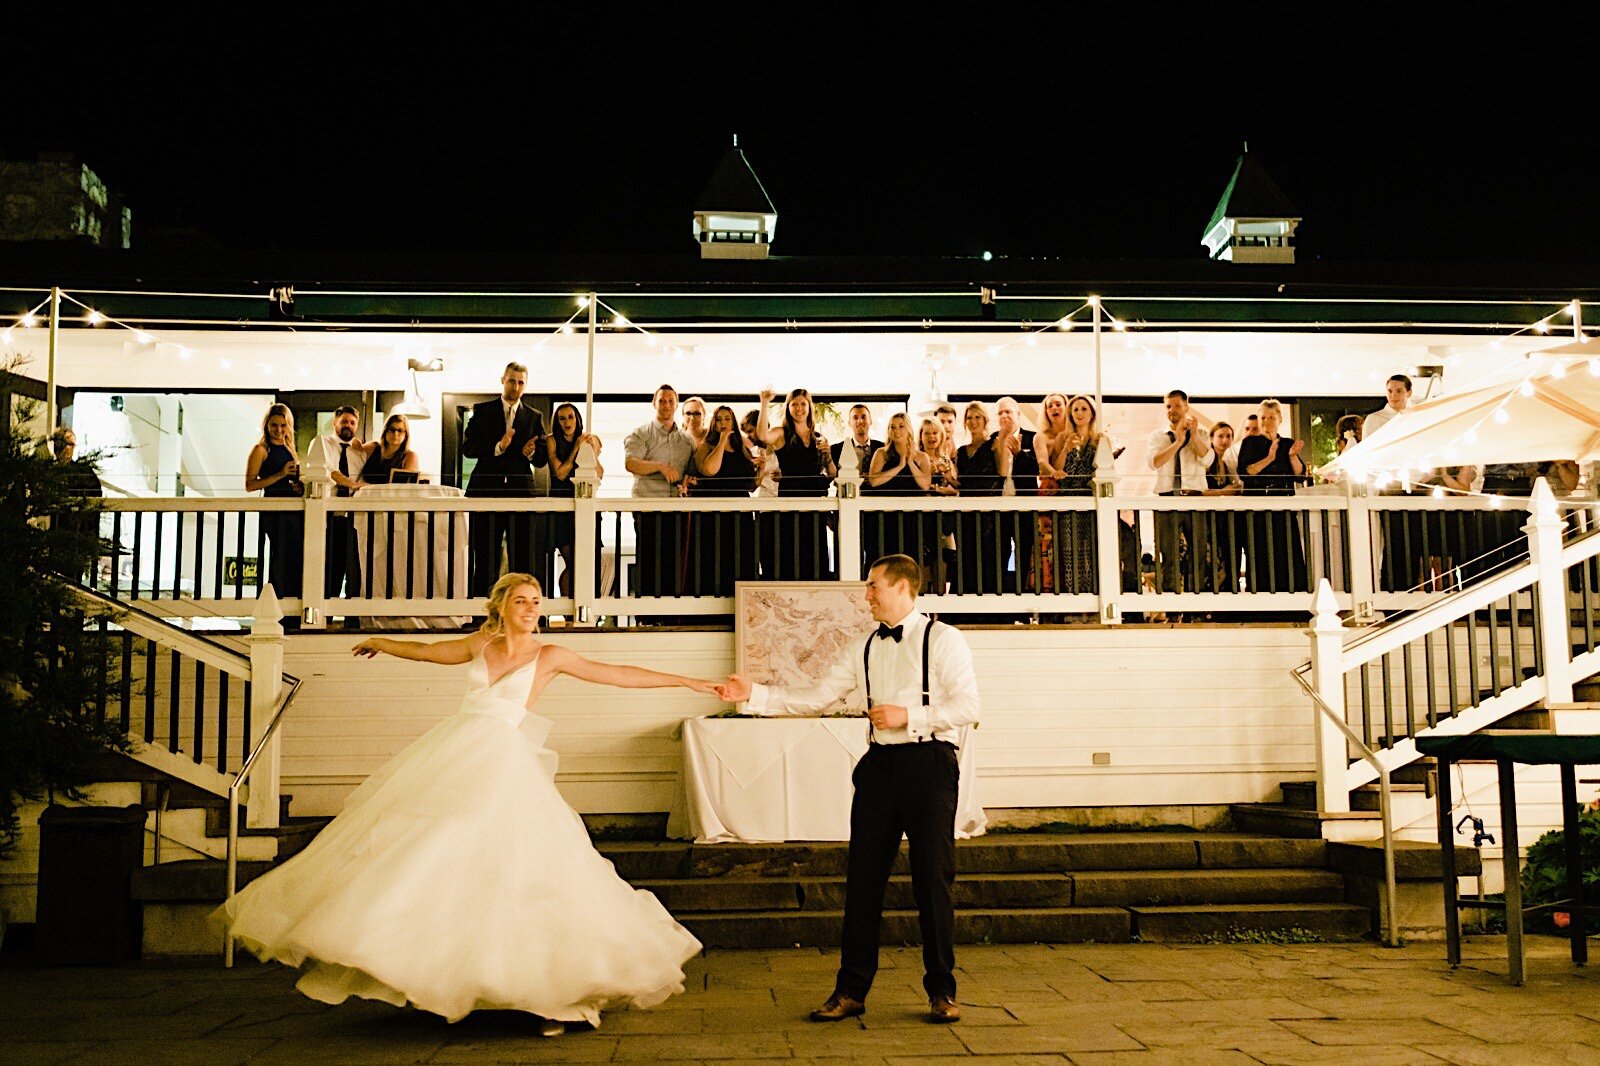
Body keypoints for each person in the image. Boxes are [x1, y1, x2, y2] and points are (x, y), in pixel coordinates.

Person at [221, 573, 711, 1030]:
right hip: (454, 755)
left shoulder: (551, 655)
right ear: (501, 606)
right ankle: (445, 971)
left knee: (527, 866)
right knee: (435, 854)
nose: (531, 609)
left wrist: (686, 682)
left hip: (504, 762)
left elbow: (616, 673)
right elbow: (428, 651)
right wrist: (381, 642)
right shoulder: (482, 644)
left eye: (537, 602)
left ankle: (556, 992)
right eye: (522, 601)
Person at [715, 555, 980, 1025]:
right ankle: (851, 990)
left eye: (874, 586)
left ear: (902, 587)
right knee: (862, 882)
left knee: (933, 880)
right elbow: (816, 696)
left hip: (930, 765)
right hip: (879, 768)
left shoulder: (944, 639)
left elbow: (968, 706)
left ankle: (942, 990)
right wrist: (753, 694)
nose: (867, 596)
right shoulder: (863, 647)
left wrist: (909, 716)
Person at [464, 363, 548, 597]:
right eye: (512, 381)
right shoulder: (482, 411)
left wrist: (531, 452)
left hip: (521, 492)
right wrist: (498, 447)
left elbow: (541, 459)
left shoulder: (534, 416)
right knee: (484, 556)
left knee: (522, 556)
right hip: (485, 490)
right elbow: (468, 448)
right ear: (503, 380)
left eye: (521, 382)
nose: (516, 386)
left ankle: (521, 610)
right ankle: (480, 614)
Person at [624, 384, 694, 608]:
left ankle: (672, 612)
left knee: (675, 562)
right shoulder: (640, 433)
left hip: (677, 509)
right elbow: (631, 463)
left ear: (677, 405)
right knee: (649, 561)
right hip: (648, 507)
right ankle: (648, 614)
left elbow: (692, 469)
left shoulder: (687, 440)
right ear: (654, 403)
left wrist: (688, 481)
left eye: (671, 401)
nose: (666, 405)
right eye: (662, 400)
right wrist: (660, 466)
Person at [758, 388, 837, 580]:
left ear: (809, 407)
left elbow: (833, 473)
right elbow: (762, 436)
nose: (799, 408)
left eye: (803, 404)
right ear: (788, 408)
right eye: (794, 404)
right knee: (789, 554)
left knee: (814, 558)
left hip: (814, 506)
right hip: (789, 502)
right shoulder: (781, 433)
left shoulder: (818, 437)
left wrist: (828, 456)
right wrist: (764, 402)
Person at [1236, 398, 1308, 594]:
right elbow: (1245, 472)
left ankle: (1292, 597)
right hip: (1258, 505)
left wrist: (1292, 456)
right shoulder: (1250, 442)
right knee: (1260, 551)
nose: (1266, 421)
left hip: (1283, 504)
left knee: (1286, 551)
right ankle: (1261, 600)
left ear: (1279, 419)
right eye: (1262, 417)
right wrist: (1269, 457)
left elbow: (1300, 475)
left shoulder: (1287, 443)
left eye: (1271, 417)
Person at [1145, 389, 1212, 597]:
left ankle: (1196, 604)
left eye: (1177, 405)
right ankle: (1171, 604)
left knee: (1198, 552)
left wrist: (1191, 437)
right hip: (1167, 498)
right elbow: (1154, 462)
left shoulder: (1201, 434)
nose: (1172, 410)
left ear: (1186, 407)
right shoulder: (1158, 436)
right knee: (1169, 553)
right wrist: (1177, 442)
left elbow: (1208, 460)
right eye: (1168, 406)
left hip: (1194, 498)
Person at [689, 405, 758, 597]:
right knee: (715, 557)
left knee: (741, 556)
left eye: (727, 419)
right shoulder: (706, 446)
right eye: (719, 419)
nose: (723, 423)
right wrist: (721, 442)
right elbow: (710, 470)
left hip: (741, 513)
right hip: (714, 514)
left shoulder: (742, 448)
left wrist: (760, 471)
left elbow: (750, 486)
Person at [305, 405, 367, 604]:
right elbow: (328, 471)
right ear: (334, 423)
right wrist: (352, 484)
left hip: (354, 517)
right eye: (344, 421)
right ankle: (325, 618)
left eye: (352, 422)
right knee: (330, 568)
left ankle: (352, 619)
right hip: (328, 516)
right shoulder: (323, 442)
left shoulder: (360, 453)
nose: (348, 425)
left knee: (355, 570)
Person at [245, 403, 303, 598]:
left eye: (283, 425)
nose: (279, 430)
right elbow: (250, 485)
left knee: (295, 558)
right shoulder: (261, 450)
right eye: (274, 425)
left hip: (294, 511)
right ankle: (277, 605)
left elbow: (291, 478)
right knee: (280, 558)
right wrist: (280, 474)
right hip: (275, 511)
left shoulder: (290, 448)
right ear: (267, 426)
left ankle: (292, 605)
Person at [546, 403, 604, 599]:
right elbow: (560, 473)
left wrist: (590, 448)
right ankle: (567, 608)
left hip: (585, 504)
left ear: (577, 419)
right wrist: (576, 449)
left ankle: (584, 603)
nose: (567, 422)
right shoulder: (552, 440)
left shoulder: (586, 440)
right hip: (563, 508)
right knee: (572, 562)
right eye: (562, 418)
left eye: (571, 417)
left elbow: (600, 474)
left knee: (587, 562)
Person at [951, 402, 1009, 597]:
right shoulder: (960, 451)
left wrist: (1002, 440)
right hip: (966, 516)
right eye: (969, 418)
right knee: (967, 559)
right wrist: (946, 481)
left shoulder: (992, 444)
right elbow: (961, 484)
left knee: (989, 559)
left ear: (985, 419)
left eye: (977, 417)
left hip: (990, 516)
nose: (973, 421)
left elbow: (1002, 472)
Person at [864, 413, 933, 569]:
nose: (896, 430)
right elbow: (874, 480)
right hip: (884, 518)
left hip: (912, 519)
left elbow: (925, 484)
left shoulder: (922, 457)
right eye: (892, 427)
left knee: (909, 563)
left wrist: (910, 462)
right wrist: (900, 466)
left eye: (901, 426)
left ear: (908, 428)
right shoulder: (881, 453)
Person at [1054, 395, 1105, 596]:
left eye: (1084, 409)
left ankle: (1092, 595)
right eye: (1075, 410)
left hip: (1090, 499)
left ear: (1091, 413)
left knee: (1091, 551)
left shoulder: (1099, 439)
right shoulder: (1062, 437)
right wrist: (1065, 449)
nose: (1079, 413)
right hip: (1068, 499)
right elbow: (1056, 470)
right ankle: (1073, 597)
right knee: (1069, 551)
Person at [992, 397, 1038, 595]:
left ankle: (1023, 599)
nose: (1004, 416)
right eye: (1000, 413)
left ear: (1018, 414)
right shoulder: (992, 439)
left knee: (1024, 553)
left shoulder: (1032, 438)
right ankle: (1001, 602)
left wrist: (1019, 453)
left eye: (1008, 412)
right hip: (999, 506)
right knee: (999, 553)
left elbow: (1037, 469)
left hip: (1024, 506)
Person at [1032, 393, 1074, 594]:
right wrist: (1054, 472)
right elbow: (1041, 461)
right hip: (1050, 488)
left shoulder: (1074, 433)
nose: (1055, 408)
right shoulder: (1041, 436)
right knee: (1047, 543)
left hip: (1072, 489)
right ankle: (1048, 592)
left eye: (1059, 404)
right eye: (1050, 406)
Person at [1202, 422, 1244, 593]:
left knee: (1230, 559)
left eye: (1229, 436)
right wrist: (1222, 492)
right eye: (1220, 436)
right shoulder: (1205, 463)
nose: (1225, 440)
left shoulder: (1231, 463)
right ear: (1212, 439)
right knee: (1211, 561)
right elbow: (1198, 492)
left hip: (1228, 520)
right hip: (1209, 520)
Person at [360, 413, 420, 485]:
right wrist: (355, 441)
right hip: (365, 494)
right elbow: (353, 449)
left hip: (391, 496)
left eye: (400, 430)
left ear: (406, 435)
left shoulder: (410, 456)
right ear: (385, 431)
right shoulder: (373, 446)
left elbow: (408, 488)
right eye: (392, 429)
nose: (395, 434)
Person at [831, 403, 883, 476]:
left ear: (870, 421)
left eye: (863, 417)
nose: (860, 421)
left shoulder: (883, 447)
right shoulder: (836, 450)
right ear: (849, 423)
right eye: (855, 418)